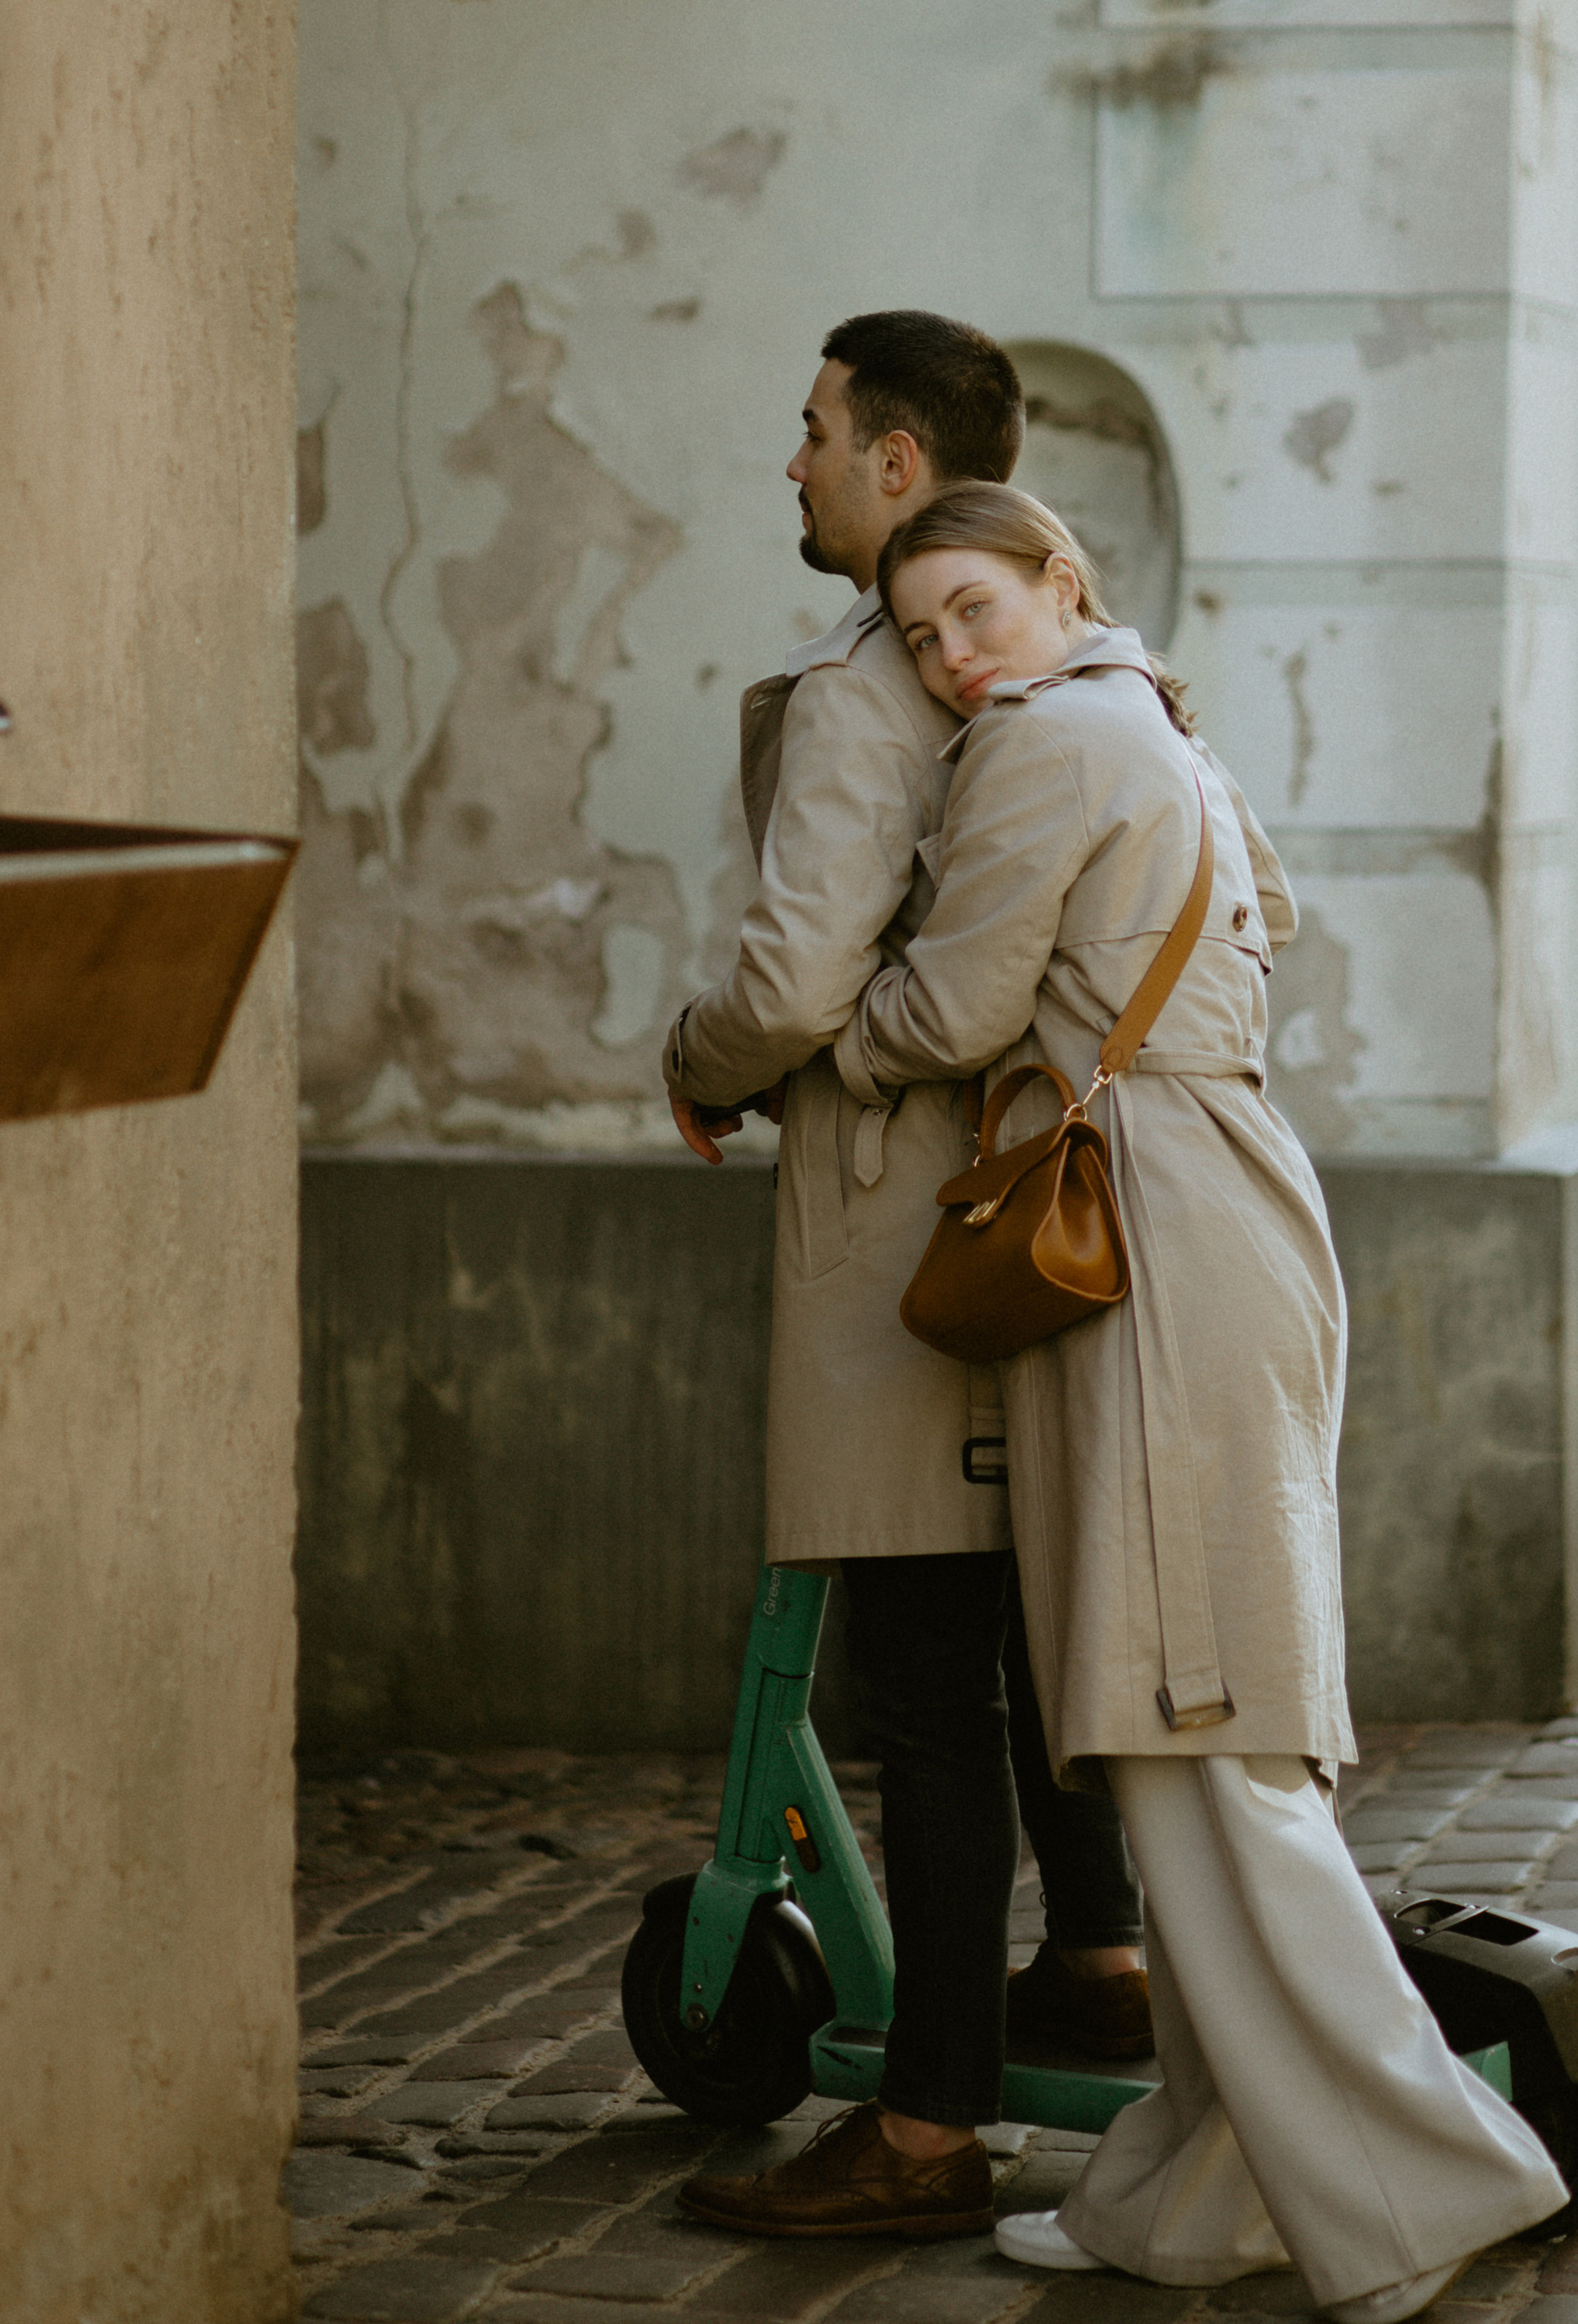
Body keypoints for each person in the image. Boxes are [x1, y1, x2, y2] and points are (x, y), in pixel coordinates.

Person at [820, 481, 1570, 2322]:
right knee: (1205, 1720)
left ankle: (1415, 2186)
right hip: (1215, 1189)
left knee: (1196, 1724)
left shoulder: (1044, 745)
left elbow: (954, 1001)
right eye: (919, 633)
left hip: (1142, 1224)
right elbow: (1272, 916)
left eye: (975, 608)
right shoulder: (1161, 723)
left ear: (1061, 585)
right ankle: (1201, 2191)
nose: (947, 657)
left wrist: (818, 1047)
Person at [663, 318, 1148, 2249]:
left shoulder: (878, 683)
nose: (786, 466)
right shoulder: (1055, 670)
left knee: (927, 1680)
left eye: (810, 435)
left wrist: (697, 1064)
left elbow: (791, 986)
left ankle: (933, 2123)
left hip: (895, 1236)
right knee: (1013, 1644)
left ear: (893, 463)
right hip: (1014, 1214)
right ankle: (1095, 1954)